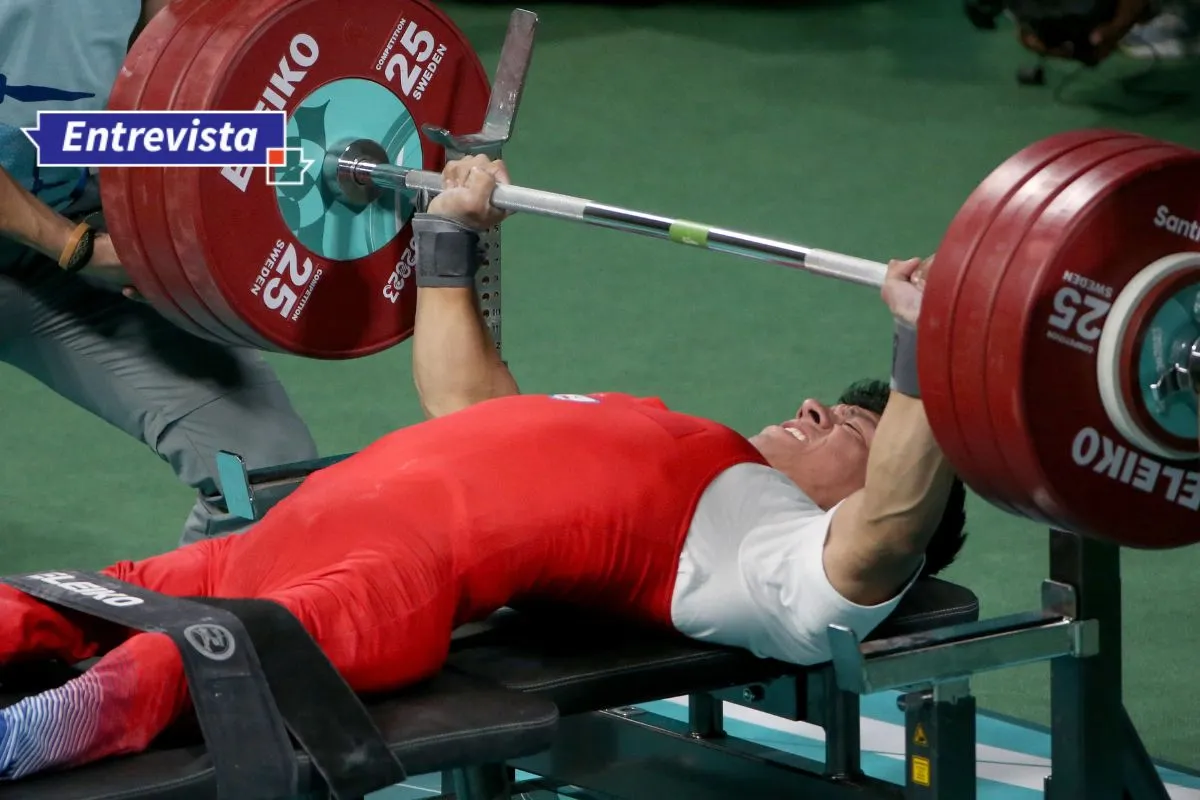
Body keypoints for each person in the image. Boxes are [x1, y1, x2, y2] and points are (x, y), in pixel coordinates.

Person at [0, 155, 967, 782]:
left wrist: (919, 347)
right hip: (287, 532)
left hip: (387, 586)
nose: (810, 408)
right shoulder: (675, 435)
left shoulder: (778, 560)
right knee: (51, 601)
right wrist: (453, 232)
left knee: (184, 662)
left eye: (849, 421)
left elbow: (890, 527)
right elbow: (468, 406)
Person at [0, 0, 319, 545]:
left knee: (259, 472)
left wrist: (288, 149)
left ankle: (192, 630)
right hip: (69, 246)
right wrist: (77, 247)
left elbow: (171, 92)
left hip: (64, 249)